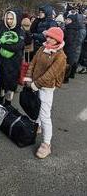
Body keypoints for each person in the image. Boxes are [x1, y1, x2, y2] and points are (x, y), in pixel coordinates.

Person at [24, 27, 67, 159]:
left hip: (46, 88)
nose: (47, 39)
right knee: (36, 108)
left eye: (51, 37)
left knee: (45, 115)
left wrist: (35, 84)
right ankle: (38, 126)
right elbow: (33, 63)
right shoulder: (42, 48)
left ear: (58, 40)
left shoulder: (60, 56)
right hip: (35, 84)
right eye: (47, 36)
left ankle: (46, 144)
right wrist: (29, 77)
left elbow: (51, 74)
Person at [0, 9, 25, 106]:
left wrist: (2, 44)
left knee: (10, 86)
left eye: (11, 19)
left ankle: (8, 105)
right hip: (1, 63)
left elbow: (17, 47)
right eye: (7, 18)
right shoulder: (3, 29)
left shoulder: (20, 31)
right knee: (0, 85)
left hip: (13, 64)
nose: (9, 21)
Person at [63, 14, 79, 81]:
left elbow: (69, 40)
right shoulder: (72, 28)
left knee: (67, 63)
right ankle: (71, 75)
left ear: (72, 21)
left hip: (68, 48)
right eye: (67, 19)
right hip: (72, 48)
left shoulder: (70, 29)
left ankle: (66, 78)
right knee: (71, 62)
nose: (67, 21)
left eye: (69, 20)